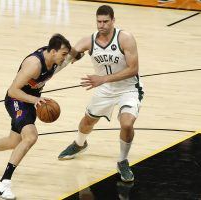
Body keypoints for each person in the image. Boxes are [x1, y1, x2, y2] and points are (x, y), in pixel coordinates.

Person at [0, 34, 72, 200]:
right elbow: (12, 91)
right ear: (53, 51)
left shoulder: (54, 61)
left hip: (29, 102)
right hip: (17, 100)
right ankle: (3, 184)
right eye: (63, 54)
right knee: (30, 137)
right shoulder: (34, 64)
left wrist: (86, 47)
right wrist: (36, 100)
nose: (65, 58)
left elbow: (77, 50)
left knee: (14, 141)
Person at [58, 5, 144, 183]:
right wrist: (65, 58)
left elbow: (133, 69)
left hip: (128, 88)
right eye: (99, 22)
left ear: (113, 21)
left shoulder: (125, 38)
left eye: (106, 21)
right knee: (87, 121)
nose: (102, 25)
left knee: (127, 124)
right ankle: (80, 144)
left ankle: (122, 161)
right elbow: (69, 57)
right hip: (105, 89)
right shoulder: (89, 41)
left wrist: (103, 79)